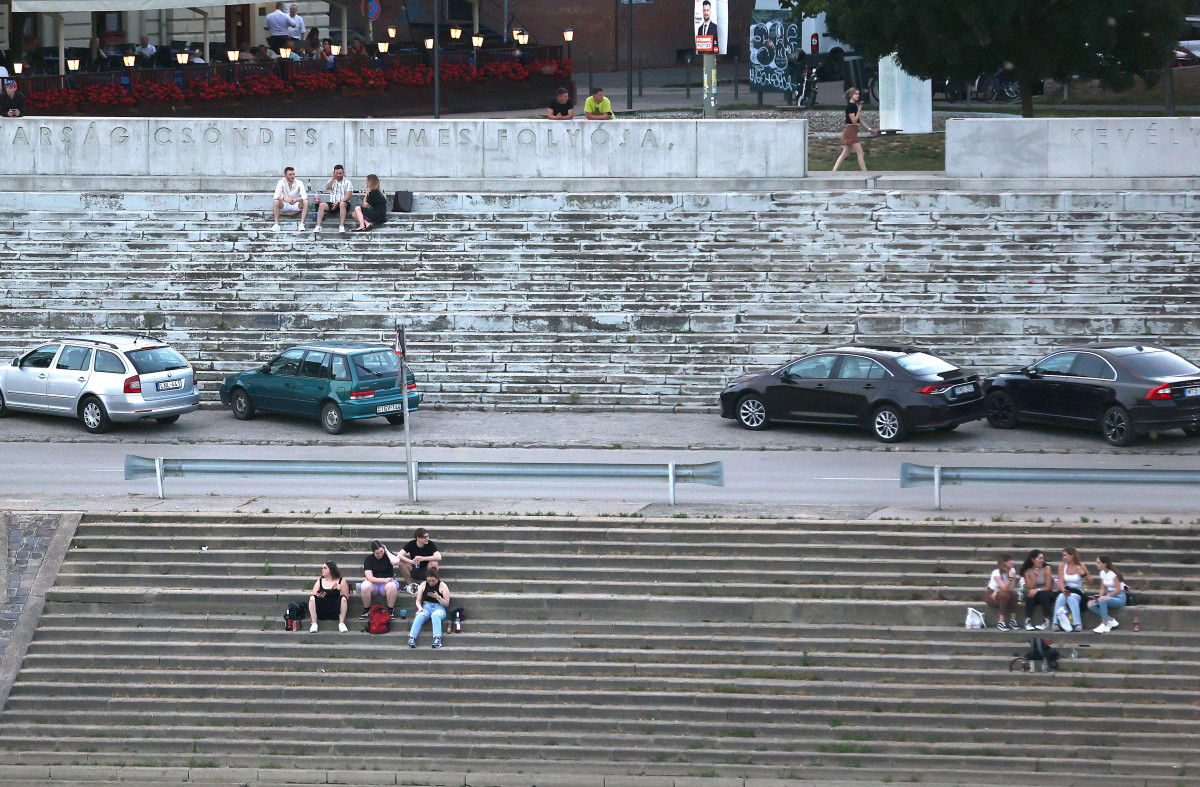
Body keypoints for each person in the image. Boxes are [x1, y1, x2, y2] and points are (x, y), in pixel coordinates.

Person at [832, 87, 873, 172]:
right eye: (855, 94)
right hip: (850, 132)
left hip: (853, 132)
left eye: (858, 94)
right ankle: (865, 172)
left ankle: (833, 171)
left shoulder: (854, 106)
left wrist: (869, 128)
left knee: (844, 154)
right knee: (860, 153)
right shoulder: (850, 107)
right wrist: (858, 110)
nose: (857, 95)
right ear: (851, 95)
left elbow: (859, 120)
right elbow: (854, 121)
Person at [407, 568, 450, 649]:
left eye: (433, 581)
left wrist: (438, 597)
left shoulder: (443, 586)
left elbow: (446, 603)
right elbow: (418, 600)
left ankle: (437, 638)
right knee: (420, 615)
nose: (431, 583)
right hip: (426, 606)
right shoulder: (423, 585)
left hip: (439, 607)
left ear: (437, 578)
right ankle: (412, 637)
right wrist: (419, 608)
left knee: (435, 615)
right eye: (429, 581)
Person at [358, 539, 401, 620]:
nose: (380, 554)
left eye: (381, 552)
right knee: (364, 586)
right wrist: (384, 580)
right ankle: (366, 610)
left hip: (387, 584)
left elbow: (396, 562)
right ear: (373, 552)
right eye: (377, 553)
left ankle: (390, 610)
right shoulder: (369, 559)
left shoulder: (388, 555)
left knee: (392, 586)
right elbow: (369, 577)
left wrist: (387, 551)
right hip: (374, 583)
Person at [1053, 547, 1090, 632]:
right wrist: (1063, 590)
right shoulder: (1062, 566)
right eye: (1063, 555)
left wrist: (1083, 574)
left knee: (1072, 597)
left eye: (1065, 555)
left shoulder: (1081, 566)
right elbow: (1061, 581)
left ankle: (1077, 623)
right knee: (1061, 596)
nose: (1063, 557)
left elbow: (1090, 582)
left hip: (1077, 592)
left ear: (1072, 556)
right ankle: (1055, 623)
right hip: (1066, 590)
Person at [308, 560, 350, 632]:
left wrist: (341, 590)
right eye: (322, 568)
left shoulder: (341, 581)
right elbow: (314, 594)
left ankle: (341, 624)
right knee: (312, 598)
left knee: (343, 599)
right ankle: (314, 624)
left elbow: (347, 598)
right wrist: (319, 595)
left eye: (325, 568)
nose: (322, 570)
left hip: (335, 610)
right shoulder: (320, 581)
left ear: (331, 569)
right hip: (322, 609)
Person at [1088, 555, 1127, 633]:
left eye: (1098, 563)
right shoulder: (1102, 573)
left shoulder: (1113, 574)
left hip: (1119, 597)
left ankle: (1104, 623)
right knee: (1090, 604)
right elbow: (1103, 588)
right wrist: (1098, 597)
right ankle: (1111, 620)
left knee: (1102, 600)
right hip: (1109, 596)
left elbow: (1118, 589)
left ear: (1104, 564)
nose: (1096, 564)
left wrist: (1106, 597)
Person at [1019, 549, 1054, 631]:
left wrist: (1037, 589)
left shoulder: (1047, 568)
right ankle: (1028, 620)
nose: (1042, 560)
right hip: (1034, 593)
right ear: (1033, 559)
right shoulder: (1027, 571)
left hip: (1046, 593)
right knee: (1030, 594)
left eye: (1043, 558)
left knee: (1043, 594)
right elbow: (1030, 587)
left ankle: (1047, 620)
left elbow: (1048, 586)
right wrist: (1035, 576)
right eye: (1040, 558)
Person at [313, 164, 353, 233]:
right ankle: (318, 226)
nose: (339, 175)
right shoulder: (331, 181)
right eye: (337, 173)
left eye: (340, 173)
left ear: (343, 173)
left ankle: (341, 226)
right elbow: (327, 187)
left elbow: (348, 196)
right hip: (332, 203)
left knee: (342, 204)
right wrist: (333, 178)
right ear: (334, 173)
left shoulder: (348, 183)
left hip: (344, 203)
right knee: (322, 205)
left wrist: (338, 203)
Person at [984, 554, 1019, 630]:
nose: (1013, 562)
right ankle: (1001, 622)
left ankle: (1013, 620)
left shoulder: (1012, 571)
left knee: (1014, 594)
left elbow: (1012, 588)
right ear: (1005, 563)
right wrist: (1010, 579)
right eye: (1010, 560)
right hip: (991, 595)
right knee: (1004, 595)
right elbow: (1004, 587)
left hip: (1003, 592)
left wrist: (998, 590)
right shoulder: (996, 573)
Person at [271, 166, 308, 232]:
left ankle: (301, 224)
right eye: (290, 174)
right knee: (276, 201)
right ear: (285, 176)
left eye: (293, 174)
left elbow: (304, 196)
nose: (292, 176)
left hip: (295, 204)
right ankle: (276, 224)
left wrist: (295, 200)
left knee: (306, 202)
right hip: (285, 204)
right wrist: (284, 199)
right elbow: (276, 196)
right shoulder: (281, 182)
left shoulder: (299, 182)